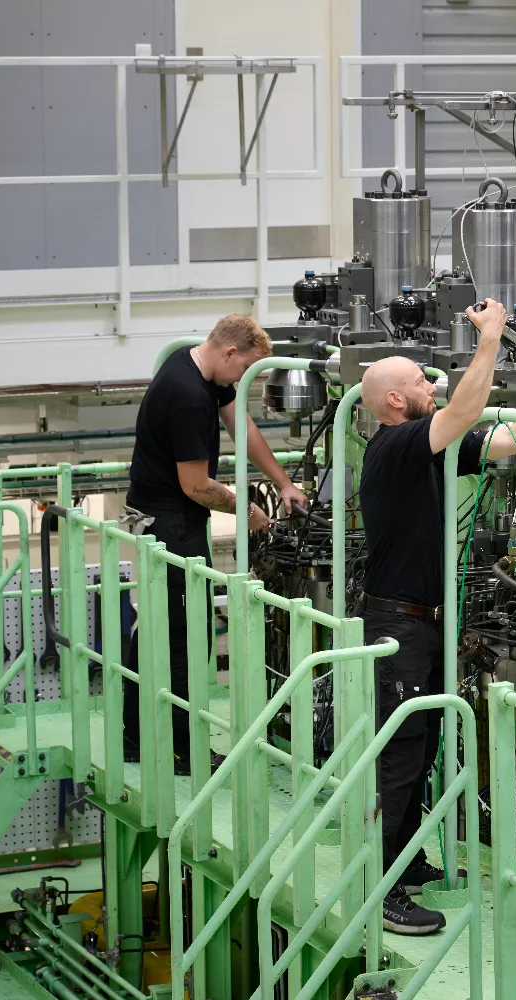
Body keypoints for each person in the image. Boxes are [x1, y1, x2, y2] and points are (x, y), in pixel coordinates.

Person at [357, 299, 516, 935]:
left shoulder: (427, 450)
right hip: (397, 627)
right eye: (418, 381)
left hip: (424, 623)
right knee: (401, 754)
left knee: (423, 740)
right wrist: (489, 339)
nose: (430, 384)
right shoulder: (395, 448)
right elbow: (465, 410)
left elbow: (498, 441)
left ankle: (403, 865)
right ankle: (381, 892)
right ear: (392, 403)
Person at [123, 313, 310, 772]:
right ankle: (182, 750)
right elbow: (196, 485)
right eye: (247, 370)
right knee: (184, 636)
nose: (248, 381)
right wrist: (248, 512)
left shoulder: (194, 366)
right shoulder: (187, 395)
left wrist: (282, 482)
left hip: (166, 518)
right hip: (170, 523)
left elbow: (238, 423)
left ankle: (137, 736)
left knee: (160, 628)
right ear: (229, 353)